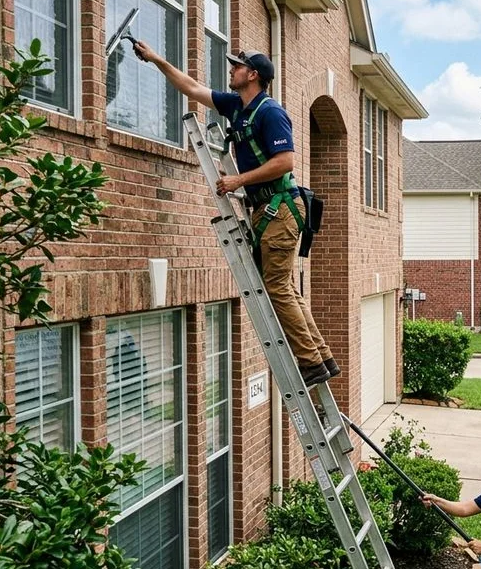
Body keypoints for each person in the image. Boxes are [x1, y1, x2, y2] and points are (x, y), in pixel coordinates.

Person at [133, 41, 338, 386]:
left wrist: (238, 180)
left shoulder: (270, 112)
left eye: (237, 66)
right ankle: (320, 357)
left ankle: (311, 362)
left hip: (280, 207)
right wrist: (155, 59)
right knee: (285, 287)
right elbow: (192, 88)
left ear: (253, 75)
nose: (231, 70)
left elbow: (285, 161)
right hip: (270, 209)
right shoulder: (236, 106)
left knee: (277, 288)